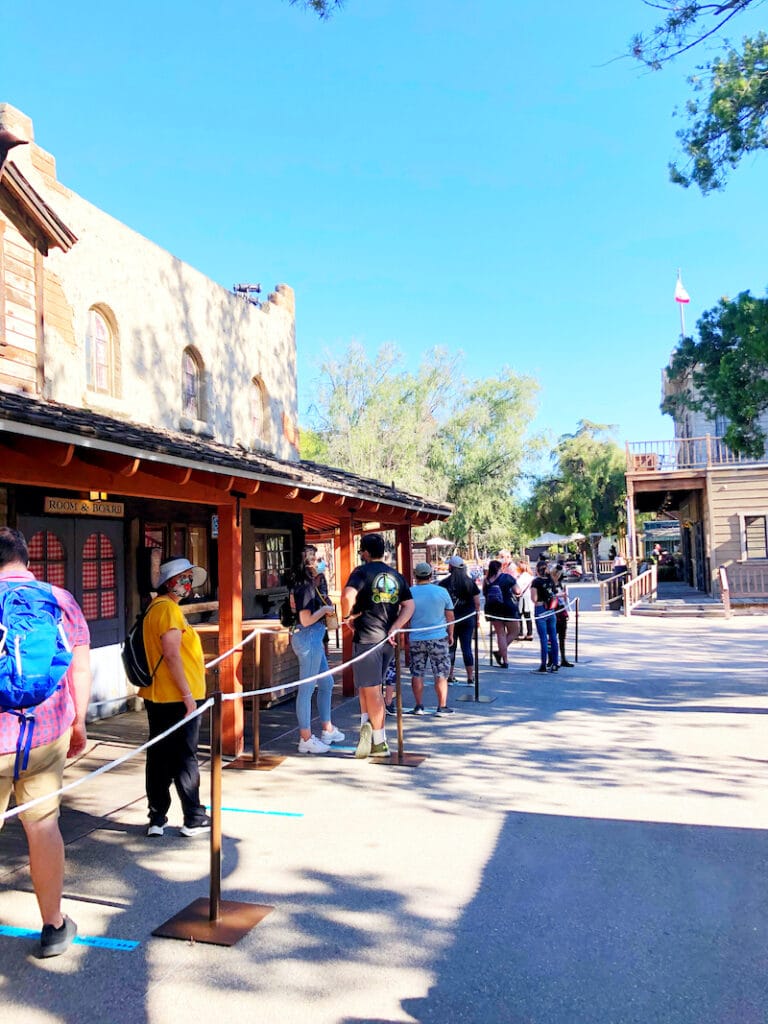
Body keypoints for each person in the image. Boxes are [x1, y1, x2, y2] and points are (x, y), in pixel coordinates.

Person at [0, 527, 91, 957]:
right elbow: (79, 669)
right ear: (25, 559)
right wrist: (79, 725)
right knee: (42, 826)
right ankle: (54, 925)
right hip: (46, 732)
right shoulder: (60, 600)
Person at [141, 557, 211, 838]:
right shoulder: (168, 610)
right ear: (171, 583)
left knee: (159, 755)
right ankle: (193, 815)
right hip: (177, 696)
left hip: (158, 694)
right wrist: (187, 695)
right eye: (184, 578)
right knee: (184, 756)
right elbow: (171, 654)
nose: (188, 584)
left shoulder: (153, 609)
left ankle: (157, 816)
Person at [341, 533, 414, 758]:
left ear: (364, 552)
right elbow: (409, 605)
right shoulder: (396, 575)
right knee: (366, 687)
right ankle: (367, 729)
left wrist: (347, 617)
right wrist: (396, 626)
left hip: (367, 639)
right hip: (386, 639)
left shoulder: (361, 572)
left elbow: (347, 596)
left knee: (372, 690)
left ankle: (380, 741)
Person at [290, 547, 344, 754]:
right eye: (318, 559)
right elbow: (305, 619)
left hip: (314, 636)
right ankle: (305, 738)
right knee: (306, 688)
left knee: (326, 682)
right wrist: (324, 610)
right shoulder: (304, 586)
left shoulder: (311, 585)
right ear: (309, 562)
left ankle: (327, 728)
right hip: (308, 635)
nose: (322, 562)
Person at [409, 562, 455, 714]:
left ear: (416, 575)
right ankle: (442, 706)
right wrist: (451, 634)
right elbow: (450, 616)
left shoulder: (410, 592)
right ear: (431, 574)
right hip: (438, 637)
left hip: (416, 637)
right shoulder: (441, 591)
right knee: (441, 672)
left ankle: (418, 705)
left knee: (417, 672)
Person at [439, 555, 480, 684]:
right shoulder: (469, 582)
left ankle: (450, 675)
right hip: (468, 617)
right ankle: (470, 676)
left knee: (451, 647)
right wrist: (477, 617)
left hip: (451, 619)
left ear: (451, 567)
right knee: (466, 647)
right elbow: (477, 602)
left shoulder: (444, 583)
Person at [483, 559, 520, 668]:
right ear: (500, 568)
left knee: (500, 634)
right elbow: (518, 591)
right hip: (508, 607)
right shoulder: (507, 577)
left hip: (493, 609)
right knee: (514, 631)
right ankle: (500, 653)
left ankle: (505, 660)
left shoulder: (487, 580)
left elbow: (485, 593)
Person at [531, 560, 559, 673]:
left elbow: (534, 599)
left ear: (537, 570)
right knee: (553, 637)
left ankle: (543, 664)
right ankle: (555, 663)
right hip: (551, 609)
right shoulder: (551, 580)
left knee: (543, 638)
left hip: (541, 609)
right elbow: (554, 593)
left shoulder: (536, 582)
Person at [550, 565, 574, 667]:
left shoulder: (560, 584)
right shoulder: (550, 584)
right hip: (553, 609)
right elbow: (549, 596)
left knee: (562, 636)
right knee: (552, 636)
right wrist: (560, 595)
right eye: (557, 574)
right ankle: (551, 659)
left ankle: (563, 658)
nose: (558, 576)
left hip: (561, 609)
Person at [515, 560, 534, 641]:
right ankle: (530, 633)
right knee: (528, 616)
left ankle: (520, 633)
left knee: (519, 615)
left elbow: (518, 586)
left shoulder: (523, 576)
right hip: (528, 597)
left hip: (522, 597)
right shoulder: (530, 576)